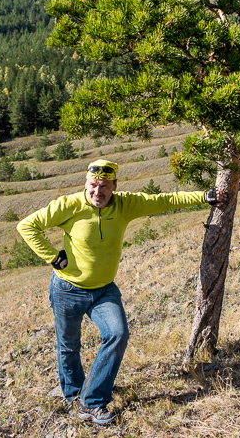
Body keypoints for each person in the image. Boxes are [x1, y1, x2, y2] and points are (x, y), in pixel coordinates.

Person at [17, 159, 224, 424]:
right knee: (69, 346)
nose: (97, 192)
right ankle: (74, 394)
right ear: (85, 183)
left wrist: (203, 196)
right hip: (67, 289)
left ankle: (91, 402)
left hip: (104, 290)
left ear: (115, 185)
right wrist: (53, 257)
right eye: (93, 185)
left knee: (117, 334)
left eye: (104, 186)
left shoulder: (125, 204)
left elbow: (164, 201)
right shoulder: (68, 205)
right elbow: (27, 226)